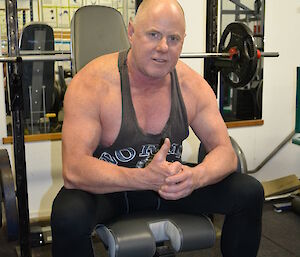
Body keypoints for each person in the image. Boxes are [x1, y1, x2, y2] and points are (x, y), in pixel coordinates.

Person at [51, 1, 264, 257]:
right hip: (113, 190)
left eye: (173, 38)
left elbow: (225, 153)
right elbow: (74, 169)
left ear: (183, 41)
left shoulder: (192, 86)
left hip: (169, 186)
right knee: (67, 213)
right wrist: (142, 178)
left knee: (249, 192)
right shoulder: (92, 83)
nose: (163, 47)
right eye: (153, 34)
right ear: (131, 32)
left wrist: (194, 178)